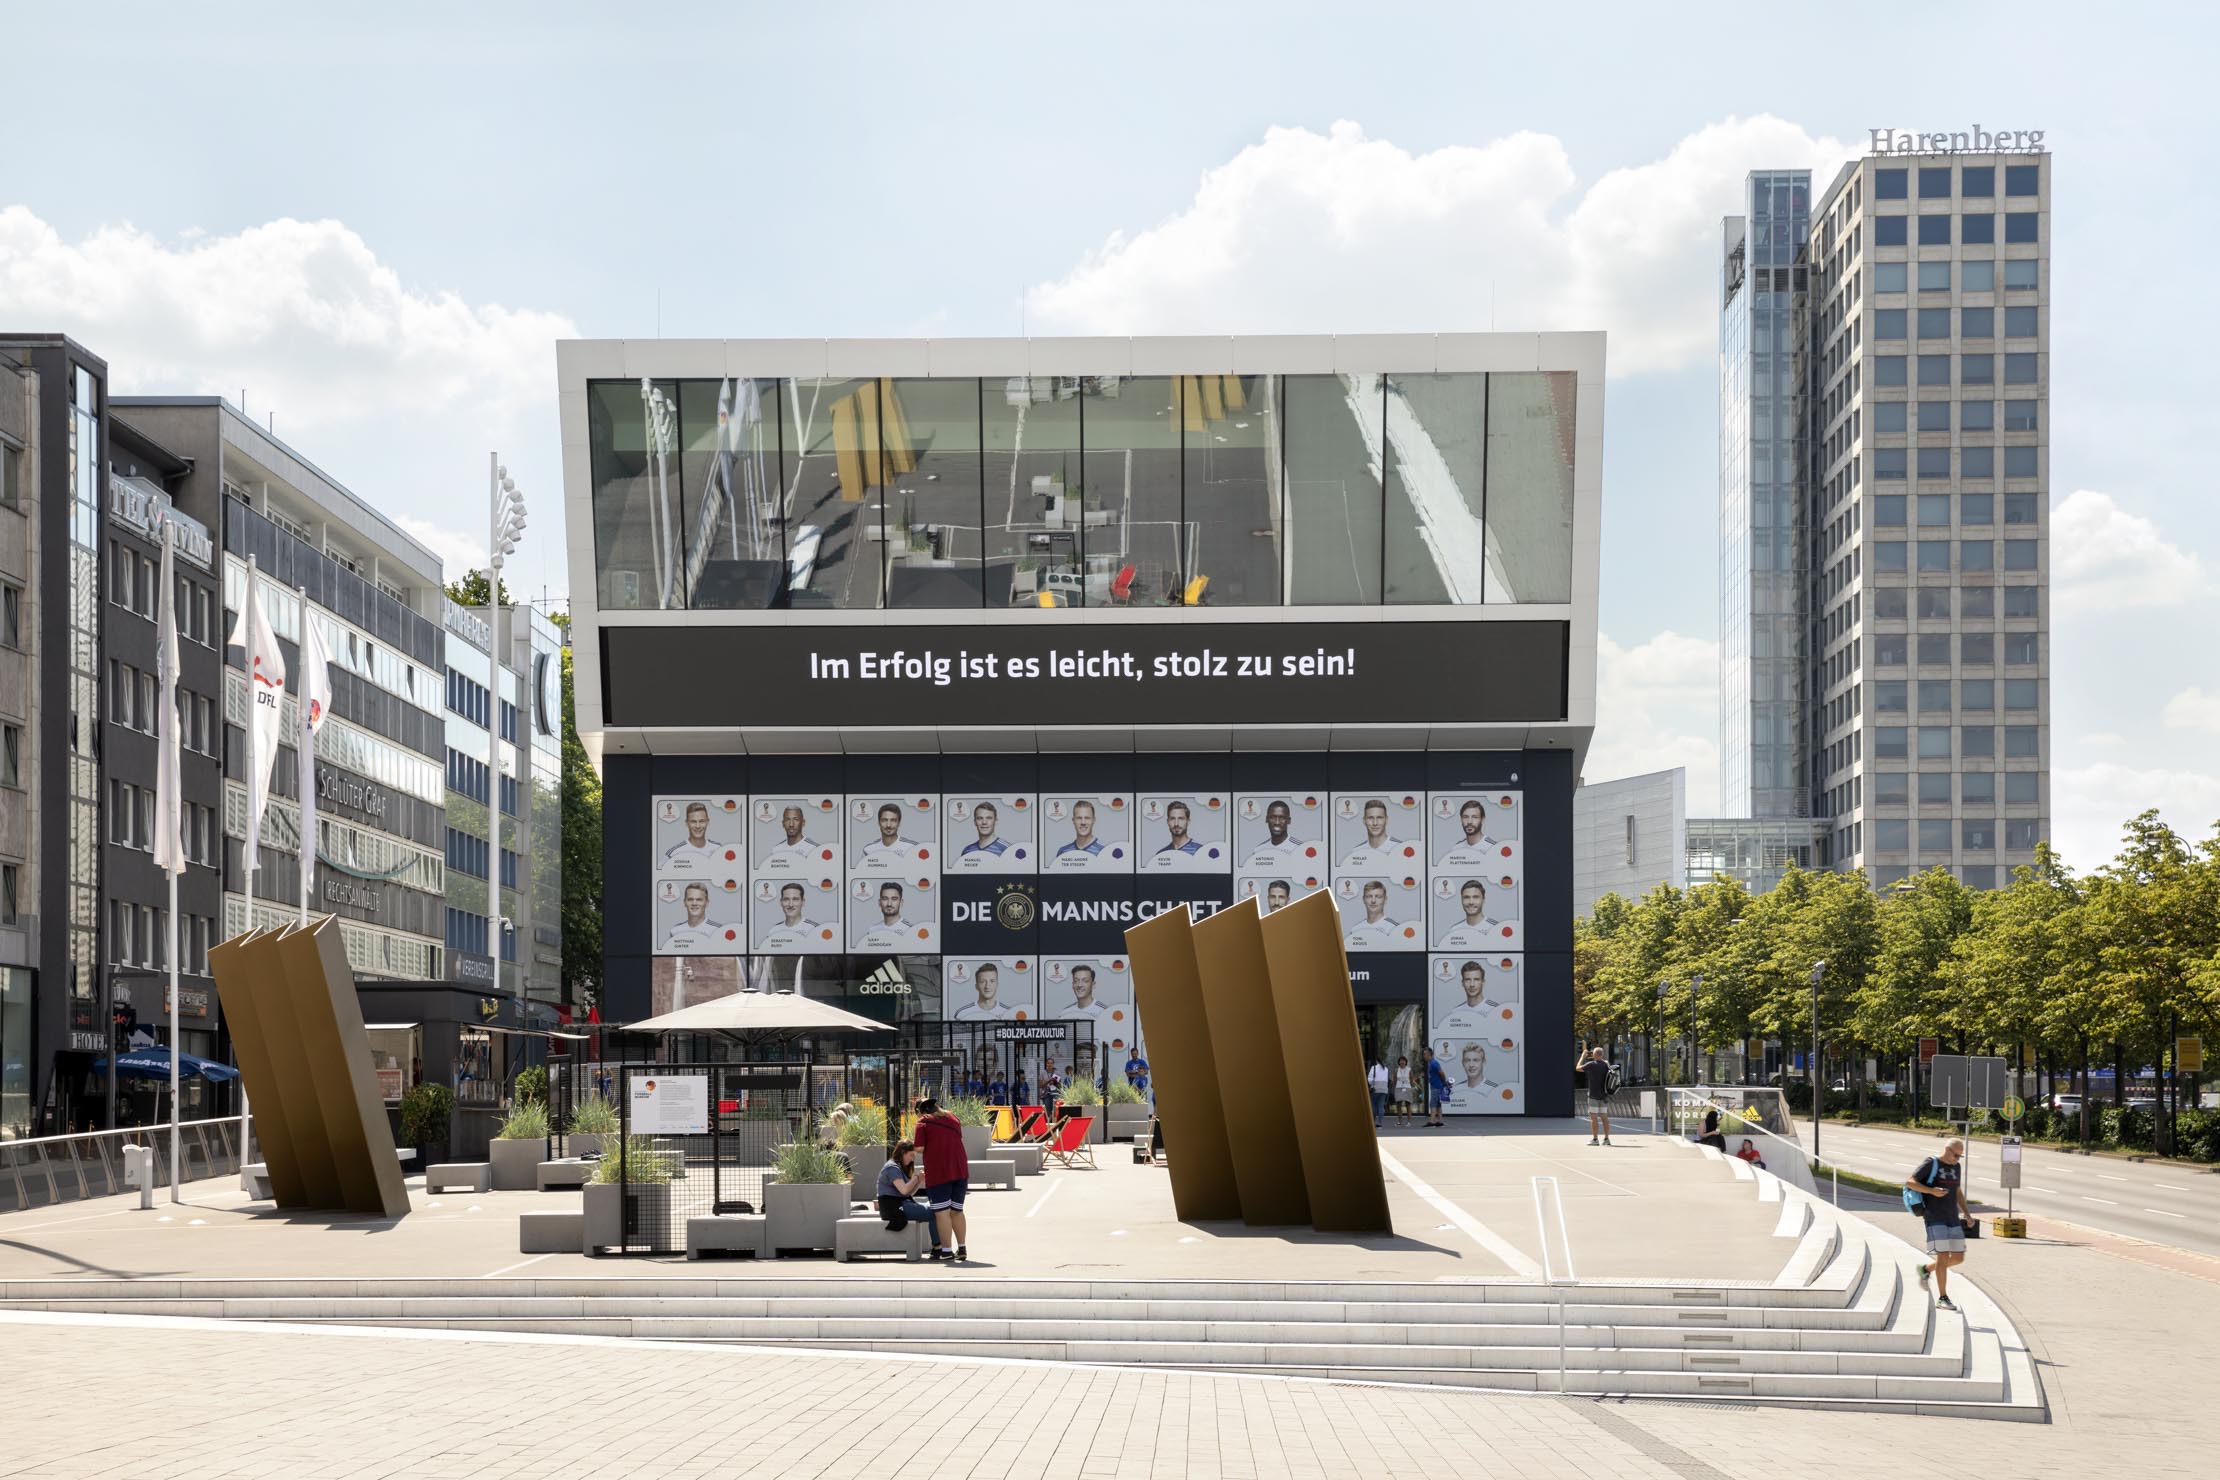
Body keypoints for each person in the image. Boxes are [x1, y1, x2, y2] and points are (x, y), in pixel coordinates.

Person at [1906, 1138, 1971, 1311]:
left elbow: (1957, 1191)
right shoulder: (1931, 1163)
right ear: (1947, 1149)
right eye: (1955, 1155)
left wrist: (1967, 1213)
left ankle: (1925, 1269)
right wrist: (1931, 1191)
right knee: (1943, 1256)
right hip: (1934, 1217)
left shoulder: (1957, 1166)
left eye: (1960, 1156)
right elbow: (1910, 1182)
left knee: (1958, 1257)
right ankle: (1942, 1298)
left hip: (1952, 1217)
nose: (1956, 1159)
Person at [910, 1098, 970, 1262]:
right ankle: (962, 1247)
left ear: (920, 1112)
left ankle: (946, 1250)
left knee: (942, 1212)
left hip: (939, 1172)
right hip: (960, 1169)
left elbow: (919, 1148)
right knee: (957, 1210)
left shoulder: (923, 1122)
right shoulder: (952, 1117)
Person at [876, 1140, 935, 1237]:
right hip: (893, 1208)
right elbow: (904, 1190)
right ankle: (937, 1246)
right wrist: (916, 1177)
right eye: (911, 1155)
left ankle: (937, 1246)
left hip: (901, 1203)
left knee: (936, 1208)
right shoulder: (892, 1168)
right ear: (903, 1153)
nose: (912, 1160)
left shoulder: (899, 1168)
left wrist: (919, 1180)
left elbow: (909, 1194)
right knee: (933, 1212)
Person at [1338, 799, 1412, 871]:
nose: (1375, 823)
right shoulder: (1357, 851)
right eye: (1370, 818)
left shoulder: (1399, 848)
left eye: (1379, 818)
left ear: (1386, 820)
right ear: (1364, 821)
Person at [660, 881, 733, 952]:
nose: (694, 903)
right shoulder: (675, 931)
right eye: (690, 899)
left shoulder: (718, 930)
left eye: (699, 900)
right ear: (685, 902)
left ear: (707, 903)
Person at [1436, 879, 1508, 949]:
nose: (1471, 902)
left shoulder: (1496, 928)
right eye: (1466, 897)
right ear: (1461, 900)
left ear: (1483, 900)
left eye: (1475, 897)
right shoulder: (1454, 930)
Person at [852, 881, 922, 949]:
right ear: (879, 903)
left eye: (894, 899)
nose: (889, 904)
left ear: (901, 902)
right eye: (885, 899)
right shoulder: (873, 930)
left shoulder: (910, 930)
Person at [1342, 880, 1409, 949]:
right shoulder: (1355, 930)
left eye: (1378, 896)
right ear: (1363, 899)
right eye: (1369, 896)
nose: (1373, 901)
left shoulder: (1394, 928)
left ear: (1385, 900)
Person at [662, 801, 729, 869]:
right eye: (693, 821)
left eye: (701, 821)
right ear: (686, 823)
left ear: (707, 822)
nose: (698, 826)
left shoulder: (718, 849)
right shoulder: (674, 853)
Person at [858, 802, 923, 867]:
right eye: (884, 820)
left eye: (893, 820)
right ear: (878, 822)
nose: (888, 825)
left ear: (899, 823)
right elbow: (861, 874)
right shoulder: (868, 850)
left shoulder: (912, 847)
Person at [951, 962, 1017, 1021]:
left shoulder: (1009, 1013)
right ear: (976, 986)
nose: (987, 986)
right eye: (982, 982)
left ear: (997, 985)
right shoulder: (962, 1014)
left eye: (992, 981)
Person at [1579, 1046, 1613, 1146]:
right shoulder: (1606, 1064)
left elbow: (1578, 1068)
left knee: (1593, 1118)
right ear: (1602, 1054)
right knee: (1604, 1117)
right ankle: (1606, 1139)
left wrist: (1582, 1057)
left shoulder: (1592, 1064)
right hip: (1604, 1096)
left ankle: (1595, 1139)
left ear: (1594, 1054)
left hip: (1593, 1095)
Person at [1423, 1048, 1450, 1127]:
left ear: (1429, 1054)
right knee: (1438, 1104)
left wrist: (1444, 1082)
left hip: (1436, 1086)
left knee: (1433, 1104)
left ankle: (1432, 1121)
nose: (1424, 1056)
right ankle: (1440, 1121)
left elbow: (1441, 1073)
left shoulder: (1434, 1063)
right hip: (1436, 1086)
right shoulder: (1430, 1063)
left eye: (1425, 1054)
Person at [1392, 1055, 1415, 1127]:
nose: (1402, 1062)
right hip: (1398, 1088)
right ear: (1399, 1062)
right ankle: (1399, 1121)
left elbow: (1411, 1079)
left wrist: (1410, 1086)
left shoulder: (1409, 1069)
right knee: (1398, 1105)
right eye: (1401, 1060)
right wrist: (1397, 1086)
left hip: (1407, 1087)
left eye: (1403, 1060)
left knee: (1408, 1105)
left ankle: (1409, 1122)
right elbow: (1394, 1079)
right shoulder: (1396, 1070)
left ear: (1406, 1062)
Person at [1367, 1057, 1390, 1127]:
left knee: (1373, 1105)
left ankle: (1373, 1121)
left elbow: (1370, 1079)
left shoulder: (1374, 1067)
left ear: (1377, 1061)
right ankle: (1380, 1122)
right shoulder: (1386, 1069)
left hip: (1376, 1088)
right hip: (1384, 1089)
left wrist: (1371, 1084)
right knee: (1381, 1106)